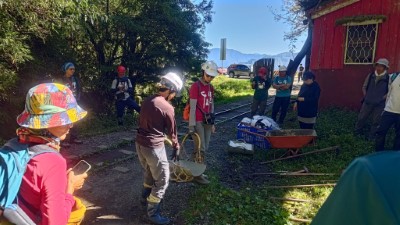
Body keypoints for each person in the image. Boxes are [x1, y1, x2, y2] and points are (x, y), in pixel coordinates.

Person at [15, 83, 88, 224]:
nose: (71, 125)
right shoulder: (53, 162)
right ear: (46, 123)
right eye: (65, 120)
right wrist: (70, 187)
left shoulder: (16, 144)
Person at [135, 73, 182, 225]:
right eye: (174, 93)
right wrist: (176, 146)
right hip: (153, 147)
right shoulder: (168, 107)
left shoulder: (148, 100)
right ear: (171, 90)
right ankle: (153, 214)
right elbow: (172, 132)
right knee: (162, 180)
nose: (174, 96)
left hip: (140, 144)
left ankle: (144, 199)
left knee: (149, 172)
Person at [188, 61, 218, 185]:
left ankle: (196, 170)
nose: (210, 78)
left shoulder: (210, 87)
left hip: (208, 121)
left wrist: (213, 123)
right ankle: (197, 175)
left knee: (205, 147)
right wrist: (191, 126)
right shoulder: (196, 86)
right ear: (203, 73)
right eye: (208, 75)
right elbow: (192, 107)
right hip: (198, 120)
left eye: (212, 76)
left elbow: (211, 105)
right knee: (201, 148)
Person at [355, 58, 390, 140]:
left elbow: (389, 91)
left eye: (381, 66)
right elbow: (364, 86)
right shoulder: (371, 75)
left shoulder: (388, 78)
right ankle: (356, 134)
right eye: (377, 66)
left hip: (379, 105)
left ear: (385, 68)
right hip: (367, 102)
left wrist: (381, 98)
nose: (378, 68)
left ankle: (371, 138)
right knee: (361, 118)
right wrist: (366, 96)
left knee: (376, 122)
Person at [375, 72, 400, 151]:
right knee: (381, 132)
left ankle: (395, 155)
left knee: (399, 136)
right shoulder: (393, 76)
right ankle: (379, 153)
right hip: (389, 110)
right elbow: (389, 92)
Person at [61, 62, 83, 145]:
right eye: (71, 69)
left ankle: (74, 138)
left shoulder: (75, 79)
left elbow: (79, 89)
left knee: (75, 120)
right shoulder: (61, 80)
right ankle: (64, 140)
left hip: (74, 102)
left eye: (74, 69)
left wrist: (78, 99)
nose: (73, 71)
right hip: (64, 104)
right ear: (66, 70)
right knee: (65, 122)